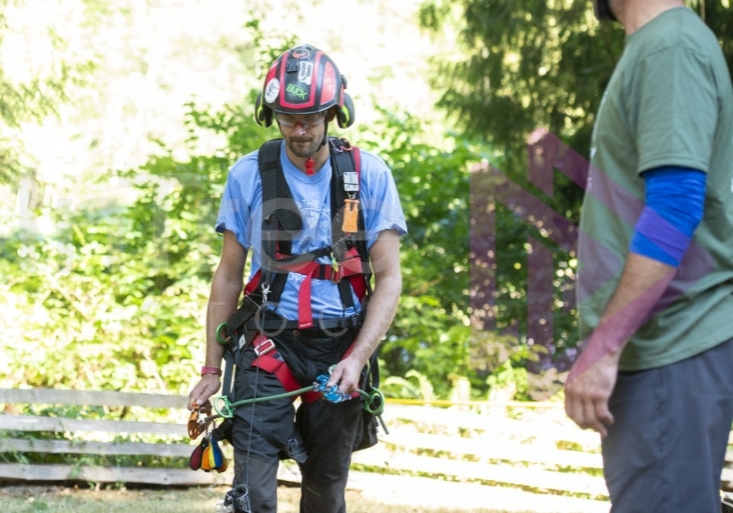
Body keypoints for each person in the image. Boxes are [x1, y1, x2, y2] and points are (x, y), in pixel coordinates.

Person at [187, 44, 406, 513]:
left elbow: (389, 278)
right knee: (252, 494)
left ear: (334, 113)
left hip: (340, 348)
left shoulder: (368, 175)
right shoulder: (249, 175)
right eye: (288, 119)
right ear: (271, 115)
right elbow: (227, 276)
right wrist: (210, 368)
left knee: (326, 490)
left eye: (310, 118)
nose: (300, 130)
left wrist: (358, 357)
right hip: (267, 344)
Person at [565, 1, 733, 511]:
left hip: (671, 347)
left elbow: (675, 207)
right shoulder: (660, 44)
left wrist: (604, 348)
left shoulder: (670, 48)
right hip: (664, 354)